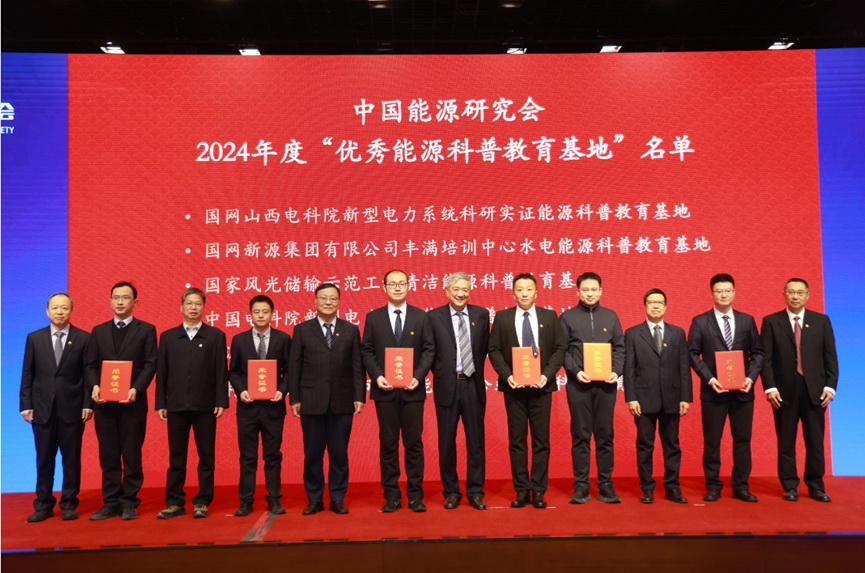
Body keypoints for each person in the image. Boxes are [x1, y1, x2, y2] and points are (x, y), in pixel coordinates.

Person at [488, 273, 565, 509]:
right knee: (517, 440)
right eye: (520, 290)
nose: (524, 294)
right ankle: (521, 490)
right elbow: (494, 349)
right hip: (514, 388)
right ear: (513, 293)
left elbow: (560, 348)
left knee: (541, 441)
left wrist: (546, 375)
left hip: (542, 387)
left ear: (536, 292)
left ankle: (538, 490)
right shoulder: (502, 317)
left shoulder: (549, 316)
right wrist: (508, 375)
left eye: (528, 289)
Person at [288, 283, 365, 515]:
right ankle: (314, 499)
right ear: (315, 301)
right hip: (311, 401)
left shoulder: (350, 330)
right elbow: (294, 367)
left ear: (339, 302)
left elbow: (357, 366)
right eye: (323, 298)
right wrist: (295, 398)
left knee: (339, 454)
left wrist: (359, 396)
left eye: (332, 298)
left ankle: (337, 498)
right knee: (313, 454)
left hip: (342, 400)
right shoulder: (302, 329)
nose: (328, 302)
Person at [361, 270, 434, 513]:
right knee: (388, 444)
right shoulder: (373, 317)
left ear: (409, 286)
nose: (397, 288)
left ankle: (415, 496)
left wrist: (417, 376)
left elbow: (429, 350)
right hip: (385, 390)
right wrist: (377, 376)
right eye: (392, 284)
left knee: (414, 444)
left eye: (402, 283)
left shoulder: (421, 317)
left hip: (413, 390)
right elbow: (366, 350)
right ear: (384, 287)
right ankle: (391, 495)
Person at [760, 278, 838, 502]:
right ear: (783, 293)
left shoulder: (821, 321)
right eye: (791, 292)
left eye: (800, 292)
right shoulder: (771, 321)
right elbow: (766, 359)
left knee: (815, 440)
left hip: (815, 390)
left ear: (808, 295)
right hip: (783, 391)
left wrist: (830, 386)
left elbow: (830, 357)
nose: (795, 296)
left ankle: (816, 485)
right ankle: (790, 485)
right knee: (786, 441)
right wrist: (770, 387)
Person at [85, 282, 157, 521]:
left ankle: (129, 502)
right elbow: (90, 364)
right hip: (105, 404)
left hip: (132, 403)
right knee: (108, 454)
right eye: (116, 297)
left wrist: (136, 388)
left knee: (131, 453)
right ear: (110, 301)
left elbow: (150, 364)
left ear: (135, 302)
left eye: (125, 297)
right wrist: (95, 385)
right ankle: (110, 502)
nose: (120, 301)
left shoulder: (146, 330)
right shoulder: (98, 331)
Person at [688, 273, 764, 502]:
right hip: (714, 391)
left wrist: (751, 377)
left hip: (743, 391)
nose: (724, 295)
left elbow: (758, 353)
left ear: (734, 292)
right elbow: (692, 354)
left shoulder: (747, 320)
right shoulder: (700, 321)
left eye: (728, 290)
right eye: (719, 291)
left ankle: (740, 486)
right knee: (712, 441)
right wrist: (710, 379)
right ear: (711, 293)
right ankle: (713, 485)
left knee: (743, 440)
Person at [155, 287, 228, 519]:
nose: (193, 308)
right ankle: (174, 502)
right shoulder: (168, 337)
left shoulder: (215, 336)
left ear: (204, 307)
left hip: (205, 406)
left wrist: (221, 400)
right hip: (176, 406)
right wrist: (161, 402)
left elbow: (221, 370)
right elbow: (162, 372)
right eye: (189, 303)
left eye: (198, 304)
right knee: (176, 458)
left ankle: (202, 501)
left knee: (206, 457)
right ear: (181, 307)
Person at [20, 293, 93, 522]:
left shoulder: (84, 338)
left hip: (73, 409)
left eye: (64, 308)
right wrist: (25, 404)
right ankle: (43, 504)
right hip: (42, 409)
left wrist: (88, 403)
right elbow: (28, 373)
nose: (59, 312)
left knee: (71, 460)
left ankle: (69, 503)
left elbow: (88, 374)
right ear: (47, 311)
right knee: (44, 459)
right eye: (55, 308)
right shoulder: (35, 338)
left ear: (72, 311)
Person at [559, 271, 626, 504]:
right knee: (581, 435)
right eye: (585, 290)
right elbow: (561, 350)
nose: (590, 294)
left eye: (594, 290)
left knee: (605, 435)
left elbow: (619, 348)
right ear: (577, 291)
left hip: (606, 385)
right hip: (579, 385)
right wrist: (576, 371)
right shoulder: (567, 317)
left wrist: (616, 371)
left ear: (600, 291)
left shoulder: (610, 316)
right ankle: (581, 485)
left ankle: (606, 484)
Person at [623, 288, 692, 504]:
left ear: (666, 306)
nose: (656, 306)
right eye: (651, 302)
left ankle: (672, 487)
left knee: (672, 445)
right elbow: (628, 368)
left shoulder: (677, 333)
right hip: (643, 399)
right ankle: (647, 488)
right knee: (645, 445)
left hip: (672, 397)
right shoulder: (633, 333)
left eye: (660, 302)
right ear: (644, 306)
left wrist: (686, 397)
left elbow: (684, 367)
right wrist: (631, 398)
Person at [428, 272, 490, 510]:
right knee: (447, 442)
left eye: (465, 289)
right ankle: (451, 491)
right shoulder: (434, 317)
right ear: (447, 291)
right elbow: (430, 351)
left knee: (476, 442)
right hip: (447, 386)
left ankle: (475, 491)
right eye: (456, 289)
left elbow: (484, 349)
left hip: (473, 385)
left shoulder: (481, 315)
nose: (461, 293)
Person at [228, 294, 291, 516]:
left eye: (265, 312)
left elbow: (290, 371)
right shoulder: (239, 340)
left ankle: (274, 500)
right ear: (250, 314)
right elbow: (234, 371)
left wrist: (282, 390)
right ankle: (246, 500)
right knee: (248, 457)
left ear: (272, 314)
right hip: (248, 408)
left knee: (273, 456)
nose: (261, 315)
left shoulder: (283, 339)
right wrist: (241, 390)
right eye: (257, 312)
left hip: (273, 407)